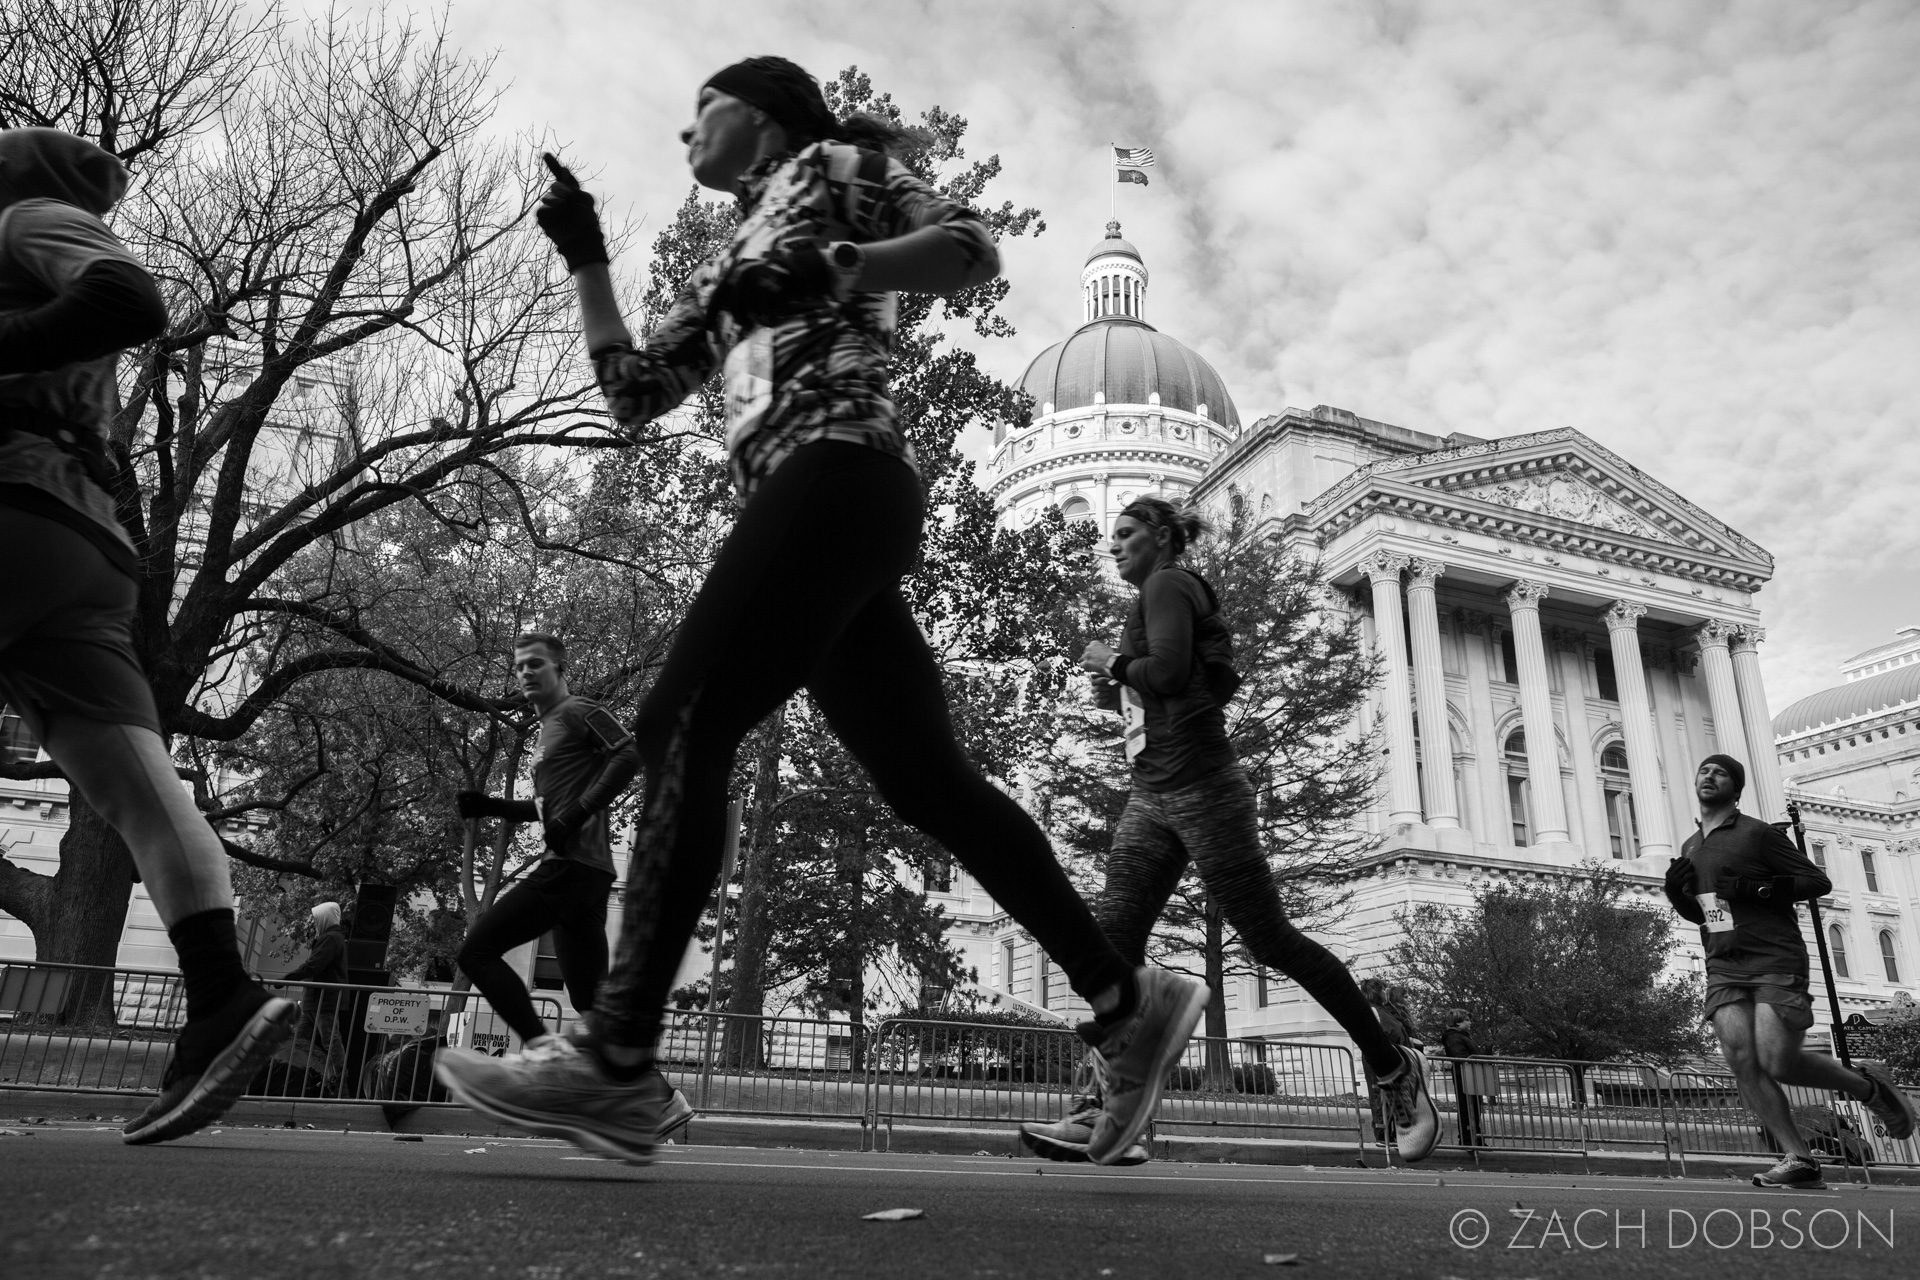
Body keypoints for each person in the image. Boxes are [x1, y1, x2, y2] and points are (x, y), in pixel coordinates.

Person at [433, 57, 1206, 1167]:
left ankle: (617, 1061)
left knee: (681, 723)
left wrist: (841, 259)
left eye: (702, 109)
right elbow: (633, 393)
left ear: (760, 113)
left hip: (839, 471)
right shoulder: (736, 254)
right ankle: (1122, 999)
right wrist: (588, 257)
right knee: (928, 783)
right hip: (822, 513)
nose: (685, 132)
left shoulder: (837, 169)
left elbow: (968, 246)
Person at [0, 127, 296, 1145]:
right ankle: (219, 994)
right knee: (138, 786)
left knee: (136, 786)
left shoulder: (24, 218)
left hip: (13, 502)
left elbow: (132, 298)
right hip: (83, 546)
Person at [1016, 500, 1438, 1166]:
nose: (1114, 546)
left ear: (1161, 537)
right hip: (1153, 791)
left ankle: (1393, 1067)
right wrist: (1120, 683)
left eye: (1125, 534)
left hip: (1203, 787)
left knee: (1269, 939)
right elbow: (1175, 687)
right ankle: (1104, 1110)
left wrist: (1111, 663)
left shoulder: (1168, 584)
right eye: (1112, 538)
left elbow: (1172, 674)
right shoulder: (1154, 599)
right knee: (1108, 950)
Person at [448, 633, 691, 1138]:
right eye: (518, 667)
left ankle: (545, 1059)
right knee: (590, 1002)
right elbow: (544, 810)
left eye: (536, 664)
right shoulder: (544, 733)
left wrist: (578, 812)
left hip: (574, 867)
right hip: (583, 873)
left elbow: (628, 754)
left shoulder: (579, 711)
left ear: (560, 669)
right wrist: (490, 806)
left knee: (477, 952)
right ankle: (663, 1099)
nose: (526, 673)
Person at [1664, 753, 1915, 1189]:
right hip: (1724, 963)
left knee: (1777, 1059)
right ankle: (1799, 1158)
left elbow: (1817, 882)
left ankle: (1866, 1086)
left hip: (1774, 958)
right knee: (1742, 1060)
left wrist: (1756, 887)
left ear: (1736, 789)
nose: (1709, 775)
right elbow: (1707, 913)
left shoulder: (1757, 834)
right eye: (1703, 770)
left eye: (1720, 772)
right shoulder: (1690, 846)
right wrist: (1677, 894)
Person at [282, 901, 348, 1066]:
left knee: (329, 1041)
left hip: (322, 1000)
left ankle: (340, 1083)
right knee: (301, 1040)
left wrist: (289, 978)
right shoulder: (332, 937)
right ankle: (300, 1074)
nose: (314, 922)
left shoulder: (331, 938)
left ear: (325, 918)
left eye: (317, 918)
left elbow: (314, 964)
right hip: (317, 1000)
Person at [1360, 977, 1412, 1143]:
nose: (1385, 993)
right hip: (1377, 1058)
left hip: (1390, 1057)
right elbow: (1382, 1033)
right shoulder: (1372, 1010)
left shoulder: (1382, 1009)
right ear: (1376, 992)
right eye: (1383, 990)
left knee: (1391, 1094)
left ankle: (1392, 1133)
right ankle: (1383, 1133)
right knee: (1379, 1094)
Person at [1440, 1009, 1482, 1148]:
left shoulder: (1462, 1036)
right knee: (1467, 1108)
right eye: (1467, 1020)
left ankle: (1475, 1138)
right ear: (1458, 1022)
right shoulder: (1454, 1037)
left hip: (1470, 1076)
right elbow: (1460, 1057)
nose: (1470, 1023)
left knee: (1474, 1108)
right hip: (1464, 1077)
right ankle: (1468, 1139)